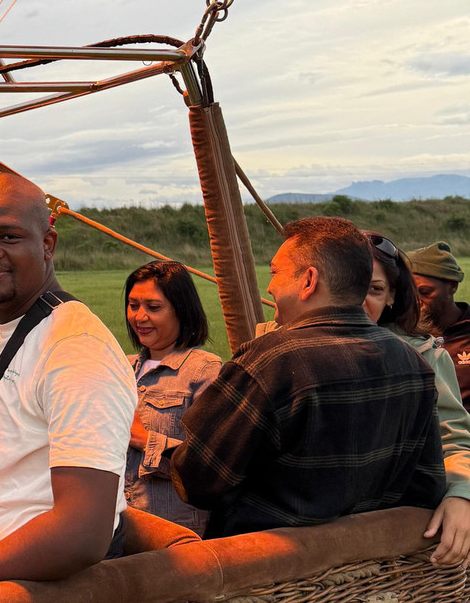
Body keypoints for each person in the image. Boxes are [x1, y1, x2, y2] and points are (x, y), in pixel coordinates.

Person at [171, 217, 446, 538]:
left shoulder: (270, 360)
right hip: (362, 572)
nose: (270, 286)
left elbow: (199, 482)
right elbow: (427, 486)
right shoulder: (413, 364)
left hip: (266, 572)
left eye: (275, 272)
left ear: (309, 280)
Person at [0, 173, 136, 590]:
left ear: (47, 245)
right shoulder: (4, 336)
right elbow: (7, 455)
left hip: (15, 584)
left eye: (8, 237)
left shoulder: (75, 349)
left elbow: (81, 533)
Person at [362, 232, 470, 568]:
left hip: (406, 519)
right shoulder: (281, 350)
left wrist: (462, 493)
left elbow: (452, 433)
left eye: (374, 289)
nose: (359, 300)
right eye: (350, 286)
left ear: (392, 295)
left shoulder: (423, 351)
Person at [123, 260, 221, 535]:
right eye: (133, 306)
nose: (139, 317)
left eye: (153, 308)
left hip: (172, 532)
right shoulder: (121, 368)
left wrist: (144, 439)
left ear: (181, 309)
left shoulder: (203, 370)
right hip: (118, 523)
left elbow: (209, 466)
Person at [407, 242, 470, 408]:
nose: (415, 302)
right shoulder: (400, 334)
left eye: (425, 292)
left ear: (452, 286)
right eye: (408, 294)